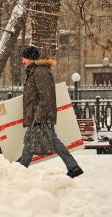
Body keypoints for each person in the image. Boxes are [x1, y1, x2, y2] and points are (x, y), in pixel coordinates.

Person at [18, 45, 84, 178]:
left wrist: (38, 117)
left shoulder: (40, 72)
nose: (23, 61)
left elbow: (46, 97)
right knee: (40, 140)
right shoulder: (34, 71)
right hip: (38, 114)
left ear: (30, 58)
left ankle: (20, 168)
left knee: (32, 140)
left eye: (24, 58)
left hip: (41, 114)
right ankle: (73, 167)